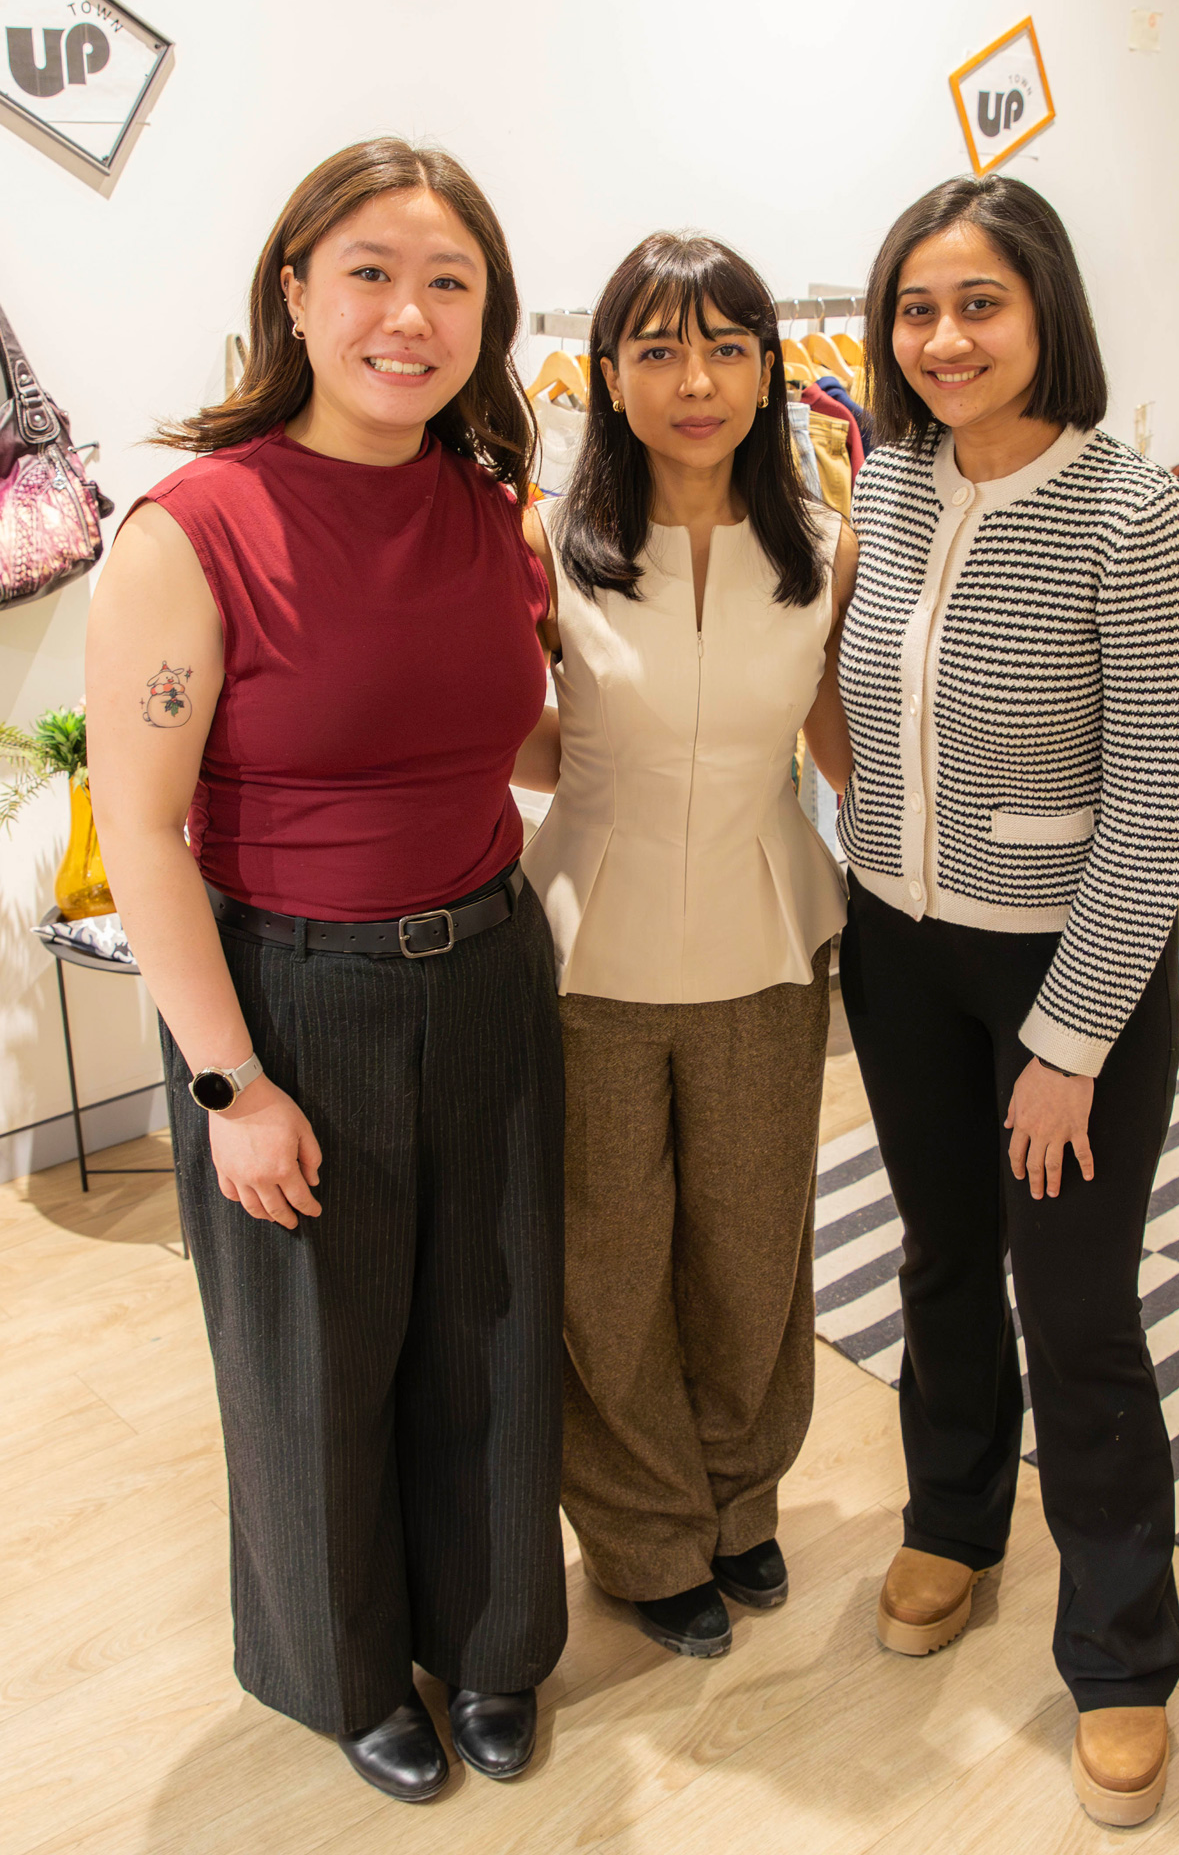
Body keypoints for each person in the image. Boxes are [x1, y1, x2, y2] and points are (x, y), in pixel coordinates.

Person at [85, 138, 567, 1805]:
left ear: (487, 313)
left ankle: (495, 1640)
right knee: (314, 1360)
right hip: (294, 995)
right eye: (369, 271)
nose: (409, 315)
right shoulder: (192, 529)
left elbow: (527, 739)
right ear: (295, 291)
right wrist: (228, 1083)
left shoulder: (490, 507)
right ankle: (350, 1670)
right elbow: (142, 834)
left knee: (492, 1334)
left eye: (449, 281)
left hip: (495, 970)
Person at [834, 174, 1179, 1827]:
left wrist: (1066, 1045)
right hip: (900, 951)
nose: (944, 339)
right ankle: (951, 1520)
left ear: (1045, 308)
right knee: (938, 1255)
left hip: (1068, 967)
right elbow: (847, 705)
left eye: (978, 303)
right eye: (917, 308)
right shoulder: (893, 483)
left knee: (1077, 1306)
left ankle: (1125, 1653)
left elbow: (1159, 810)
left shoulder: (1138, 519)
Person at [517, 232, 856, 1658]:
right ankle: (645, 1535)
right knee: (604, 1263)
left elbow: (844, 745)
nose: (694, 380)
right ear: (606, 375)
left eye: (724, 347)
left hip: (770, 946)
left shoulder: (822, 539)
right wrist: (590, 771)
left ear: (772, 368)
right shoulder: (549, 538)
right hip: (589, 955)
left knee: (753, 1251)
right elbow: (509, 728)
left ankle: (741, 1502)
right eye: (656, 350)